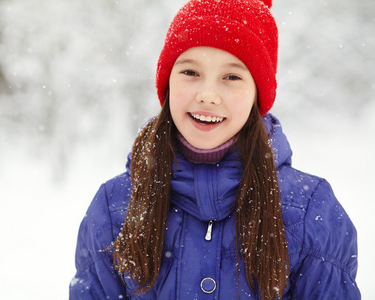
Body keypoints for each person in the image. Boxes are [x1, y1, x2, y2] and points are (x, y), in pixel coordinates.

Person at [69, 0, 361, 299]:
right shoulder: (115, 205)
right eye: (190, 72)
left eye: (231, 77)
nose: (207, 95)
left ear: (257, 94)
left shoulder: (309, 209)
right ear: (168, 82)